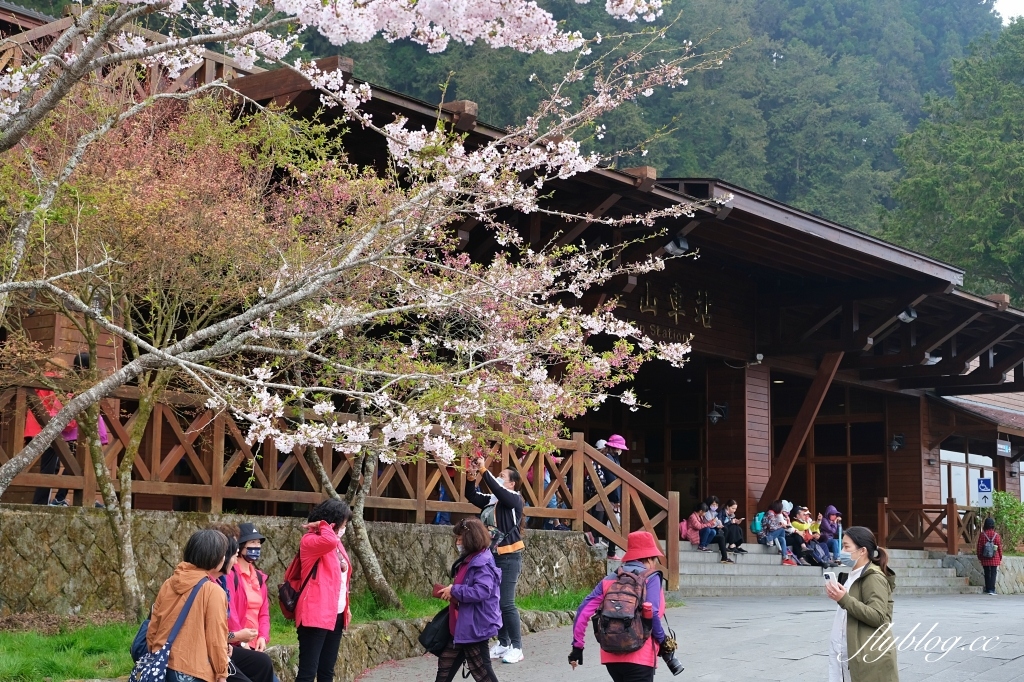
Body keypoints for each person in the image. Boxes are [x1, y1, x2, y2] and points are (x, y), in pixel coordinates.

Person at [569, 530, 669, 682]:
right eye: (654, 559)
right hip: (640, 656)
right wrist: (663, 642)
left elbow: (583, 610)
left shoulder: (609, 579)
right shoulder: (651, 578)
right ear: (649, 558)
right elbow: (652, 612)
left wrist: (578, 647)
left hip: (611, 656)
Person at [146, 529, 230, 682]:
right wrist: (222, 673)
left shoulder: (168, 583)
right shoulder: (213, 591)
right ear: (215, 558)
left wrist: (155, 652)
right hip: (193, 670)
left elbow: (153, 626)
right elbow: (216, 638)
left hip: (161, 666)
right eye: (223, 553)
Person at [465, 455, 526, 664]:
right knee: (495, 601)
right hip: (491, 557)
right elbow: (471, 495)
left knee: (507, 603)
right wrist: (472, 476)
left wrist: (484, 471)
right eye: (497, 475)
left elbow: (498, 490)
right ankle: (503, 643)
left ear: (512, 483)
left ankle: (517, 647)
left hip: (509, 556)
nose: (498, 479)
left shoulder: (513, 499)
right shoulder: (493, 500)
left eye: (502, 476)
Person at [824, 526, 898, 682]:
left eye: (846, 546)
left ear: (862, 550)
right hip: (849, 651)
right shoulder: (852, 575)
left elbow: (878, 616)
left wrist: (844, 599)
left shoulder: (873, 577)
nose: (842, 551)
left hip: (867, 655)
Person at [433, 518, 502, 682]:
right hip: (463, 624)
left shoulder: (481, 562)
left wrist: (454, 590)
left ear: (471, 540)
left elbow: (482, 591)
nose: (457, 543)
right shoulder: (474, 558)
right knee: (445, 666)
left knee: (483, 673)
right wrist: (453, 589)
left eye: (460, 539)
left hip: (474, 626)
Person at [207, 523, 275, 682]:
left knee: (264, 664)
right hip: (232, 643)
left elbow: (264, 612)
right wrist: (239, 639)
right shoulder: (225, 579)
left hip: (236, 643)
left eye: (259, 543)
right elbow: (230, 617)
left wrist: (262, 637)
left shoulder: (259, 577)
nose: (257, 547)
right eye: (252, 543)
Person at [295, 499, 353, 682]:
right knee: (307, 673)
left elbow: (341, 579)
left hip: (335, 614)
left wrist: (346, 607)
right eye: (343, 524)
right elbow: (328, 540)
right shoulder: (311, 540)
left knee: (327, 671)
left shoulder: (336, 542)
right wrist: (322, 525)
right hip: (315, 614)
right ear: (332, 522)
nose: (344, 528)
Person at [757, 500, 796, 565]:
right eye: (781, 508)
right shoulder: (770, 513)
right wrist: (781, 526)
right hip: (763, 538)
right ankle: (771, 541)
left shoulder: (773, 514)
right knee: (782, 530)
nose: (782, 510)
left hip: (769, 536)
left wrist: (781, 525)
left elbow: (773, 526)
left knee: (782, 539)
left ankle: (785, 558)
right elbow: (772, 528)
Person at [977, 517, 1002, 595]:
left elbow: (979, 546)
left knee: (987, 572)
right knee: (993, 573)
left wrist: (979, 556)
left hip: (985, 557)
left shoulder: (982, 535)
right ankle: (992, 589)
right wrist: (1000, 556)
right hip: (995, 557)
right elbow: (999, 547)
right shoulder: (996, 535)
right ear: (993, 525)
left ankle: (988, 589)